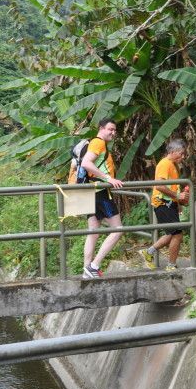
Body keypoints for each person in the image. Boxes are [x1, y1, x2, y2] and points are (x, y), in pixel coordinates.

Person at [81, 118, 124, 279]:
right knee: (118, 229)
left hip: (90, 191)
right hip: (99, 191)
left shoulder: (95, 143)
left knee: (93, 231)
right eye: (110, 129)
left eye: (114, 130)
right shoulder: (98, 143)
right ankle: (94, 265)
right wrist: (108, 178)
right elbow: (86, 163)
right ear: (101, 129)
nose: (113, 132)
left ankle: (87, 269)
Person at [140, 139, 189, 271]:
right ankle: (171, 265)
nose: (183, 157)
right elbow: (159, 186)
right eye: (181, 153)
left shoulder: (173, 165)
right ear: (173, 152)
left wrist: (178, 202)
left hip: (169, 203)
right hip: (162, 203)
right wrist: (177, 197)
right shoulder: (164, 164)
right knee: (177, 235)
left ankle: (148, 252)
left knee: (170, 234)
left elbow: (173, 186)